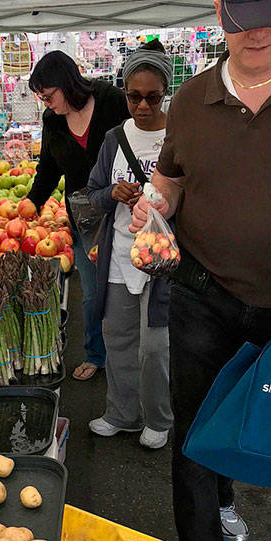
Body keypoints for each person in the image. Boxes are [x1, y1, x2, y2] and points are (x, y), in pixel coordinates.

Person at [130, 0, 271, 541]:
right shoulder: (189, 100)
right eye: (242, 17)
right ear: (219, 14)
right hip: (201, 292)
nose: (257, 32)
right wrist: (152, 207)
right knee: (194, 428)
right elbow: (171, 178)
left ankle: (226, 494)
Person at [87, 40, 173, 450]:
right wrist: (112, 194)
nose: (142, 106)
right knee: (117, 337)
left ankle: (159, 418)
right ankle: (121, 413)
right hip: (120, 256)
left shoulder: (179, 136)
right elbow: (92, 193)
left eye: (152, 97)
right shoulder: (114, 138)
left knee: (155, 346)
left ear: (165, 93)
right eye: (133, 96)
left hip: (163, 262)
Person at [27, 50, 129, 381]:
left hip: (124, 210)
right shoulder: (52, 120)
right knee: (91, 293)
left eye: (48, 95)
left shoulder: (112, 100)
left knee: (129, 288)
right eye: (41, 97)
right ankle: (95, 353)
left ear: (66, 83)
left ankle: (128, 355)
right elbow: (49, 167)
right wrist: (33, 201)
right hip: (83, 218)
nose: (46, 103)